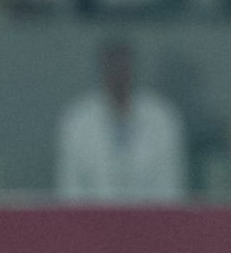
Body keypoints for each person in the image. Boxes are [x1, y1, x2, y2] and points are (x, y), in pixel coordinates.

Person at [56, 40, 188, 203]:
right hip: (92, 222)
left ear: (133, 70)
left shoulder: (162, 118)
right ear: (102, 71)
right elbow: (71, 189)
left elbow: (171, 186)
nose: (118, 75)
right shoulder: (77, 121)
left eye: (123, 68)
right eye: (112, 68)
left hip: (151, 220)